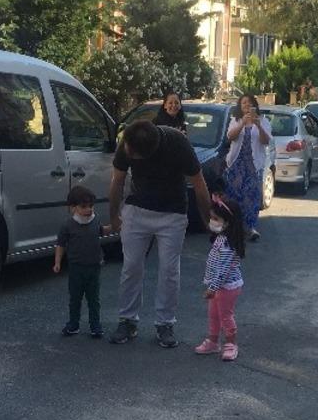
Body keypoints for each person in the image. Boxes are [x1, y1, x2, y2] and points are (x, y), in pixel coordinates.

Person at [108, 119, 212, 348]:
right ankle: (127, 320)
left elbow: (199, 183)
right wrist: (114, 216)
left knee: (169, 270)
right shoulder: (130, 140)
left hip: (172, 214)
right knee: (131, 266)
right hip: (137, 209)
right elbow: (117, 180)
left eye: (132, 155)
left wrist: (208, 221)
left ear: (148, 154)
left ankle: (165, 323)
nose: (127, 153)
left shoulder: (178, 144)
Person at [54, 184, 112, 338]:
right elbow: (60, 244)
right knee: (75, 298)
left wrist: (115, 226)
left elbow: (102, 231)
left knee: (94, 299)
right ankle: (73, 324)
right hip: (76, 268)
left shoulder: (95, 220)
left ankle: (95, 325)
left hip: (94, 267)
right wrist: (57, 262)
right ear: (73, 207)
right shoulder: (68, 225)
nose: (89, 210)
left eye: (91, 206)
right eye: (84, 206)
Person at [194, 195, 246, 361]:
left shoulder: (228, 245)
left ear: (228, 222)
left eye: (215, 218)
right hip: (218, 286)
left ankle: (231, 344)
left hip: (226, 287)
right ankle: (213, 341)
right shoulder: (221, 239)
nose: (212, 221)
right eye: (211, 217)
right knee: (213, 314)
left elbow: (223, 270)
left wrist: (212, 288)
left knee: (225, 316)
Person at [224, 95, 271, 242]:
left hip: (253, 166)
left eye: (249, 103)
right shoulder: (236, 120)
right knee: (234, 197)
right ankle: (232, 227)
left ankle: (250, 228)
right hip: (236, 165)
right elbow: (230, 137)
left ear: (255, 106)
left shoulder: (263, 121)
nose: (247, 105)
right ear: (240, 106)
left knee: (251, 197)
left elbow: (266, 141)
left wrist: (258, 125)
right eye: (244, 103)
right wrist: (242, 123)